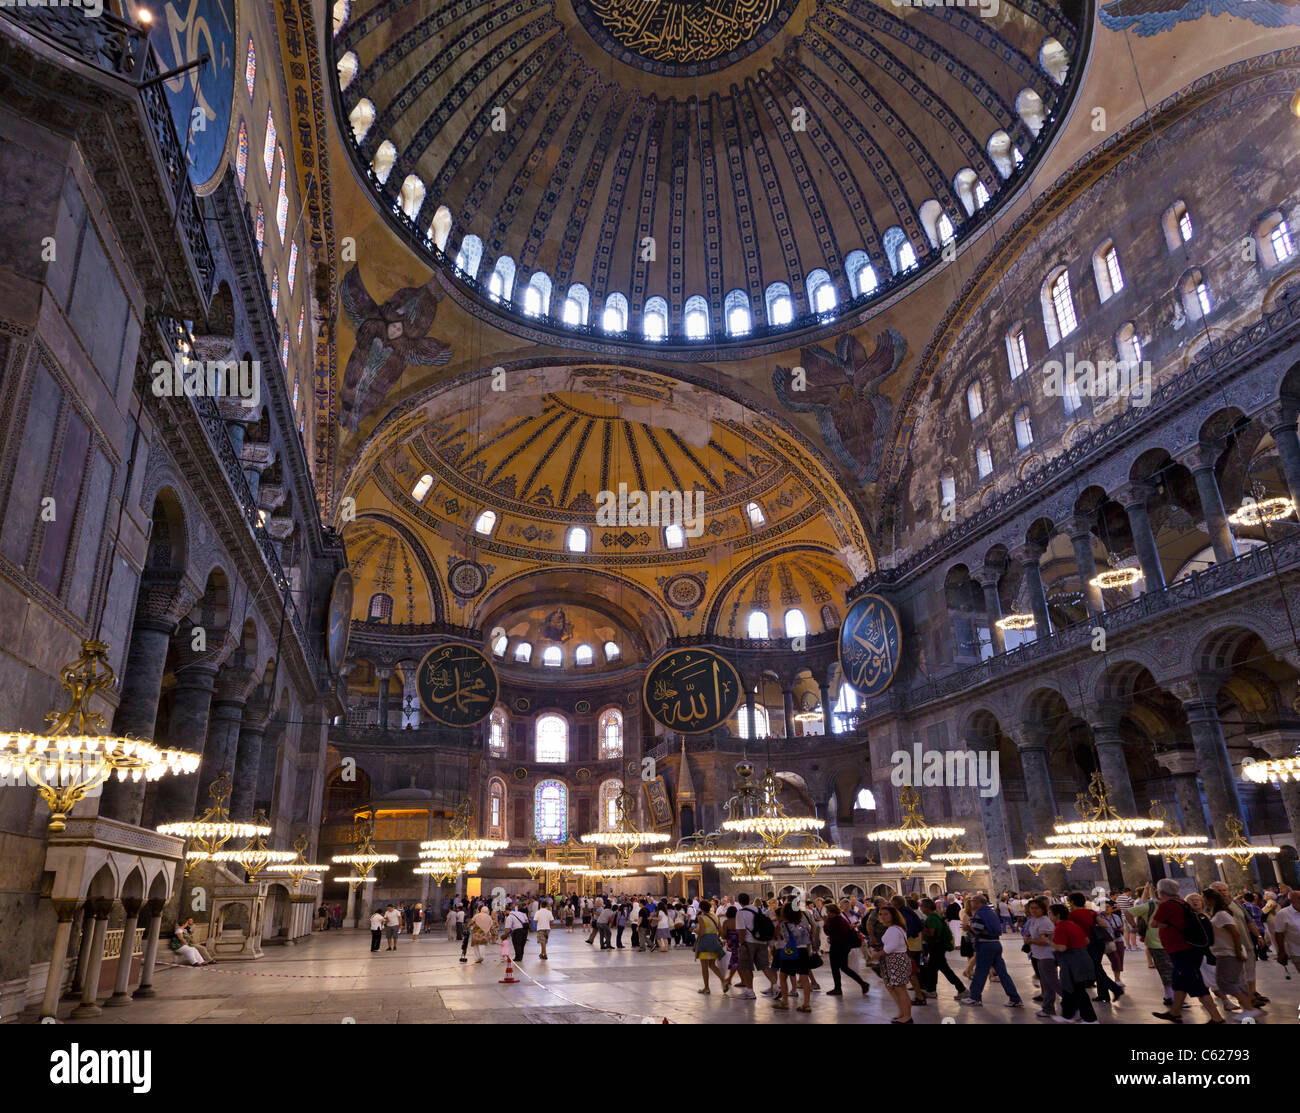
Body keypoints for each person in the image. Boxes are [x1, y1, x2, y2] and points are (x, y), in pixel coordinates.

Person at [1150, 878, 1225, 1023]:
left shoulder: (1167, 905)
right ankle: (1175, 1013)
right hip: (1187, 948)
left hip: (1181, 950)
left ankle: (1217, 1018)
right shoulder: (1181, 902)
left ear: (1161, 891)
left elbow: (1154, 923)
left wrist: (1162, 921)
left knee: (1196, 984)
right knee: (1179, 982)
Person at [959, 894, 1023, 1007]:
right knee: (1003, 974)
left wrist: (968, 927)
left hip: (985, 945)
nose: (971, 903)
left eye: (973, 901)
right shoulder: (991, 912)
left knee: (980, 972)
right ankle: (1015, 998)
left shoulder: (980, 913)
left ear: (979, 902)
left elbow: (977, 930)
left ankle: (975, 997)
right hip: (996, 944)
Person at [1204, 888, 1258, 1020]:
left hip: (1229, 953)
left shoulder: (1222, 915)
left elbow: (1235, 933)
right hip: (1225, 952)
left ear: (1211, 900)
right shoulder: (1218, 914)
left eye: (1204, 898)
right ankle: (1248, 1008)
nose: (1203, 901)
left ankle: (1249, 1008)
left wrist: (1238, 951)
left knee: (1225, 983)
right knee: (1235, 982)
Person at [1065, 891, 1123, 1004]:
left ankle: (1116, 989)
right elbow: (1104, 924)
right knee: (1097, 969)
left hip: (1085, 945)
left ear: (1072, 902)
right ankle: (1103, 995)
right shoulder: (1091, 912)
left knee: (1095, 970)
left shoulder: (1071, 915)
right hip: (1098, 944)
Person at [1049, 903, 1098, 1024]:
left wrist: (1049, 942)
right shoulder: (1073, 924)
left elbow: (1062, 948)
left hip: (1072, 963)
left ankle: (1091, 1019)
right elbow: (1086, 940)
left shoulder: (1061, 927)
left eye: (1050, 913)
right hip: (1083, 958)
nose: (1049, 915)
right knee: (1071, 990)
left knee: (1077, 990)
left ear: (1057, 915)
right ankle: (1068, 1016)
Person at [871, 905, 913, 1023]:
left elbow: (891, 947)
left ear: (893, 915)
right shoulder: (894, 928)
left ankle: (907, 1016)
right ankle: (902, 1012)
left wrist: (877, 954)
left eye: (886, 914)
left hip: (896, 960)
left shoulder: (894, 929)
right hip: (893, 960)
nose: (883, 917)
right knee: (892, 987)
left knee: (900, 989)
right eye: (881, 914)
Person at [918, 897, 965, 999]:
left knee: (945, 969)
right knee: (932, 969)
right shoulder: (935, 916)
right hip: (937, 946)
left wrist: (921, 927)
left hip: (936, 946)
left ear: (926, 907)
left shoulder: (931, 918)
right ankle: (931, 990)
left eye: (921, 906)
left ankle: (962, 989)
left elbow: (931, 933)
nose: (920, 909)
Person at [734, 892, 778, 999]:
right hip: (761, 941)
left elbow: (742, 930)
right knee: (765, 966)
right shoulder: (758, 910)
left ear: (739, 901)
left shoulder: (741, 912)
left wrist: (742, 943)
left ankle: (750, 991)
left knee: (746, 967)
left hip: (749, 942)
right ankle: (776, 987)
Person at [773, 903, 813, 1012]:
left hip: (791, 951)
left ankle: (785, 1002)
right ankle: (806, 1004)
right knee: (804, 978)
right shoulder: (803, 923)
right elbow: (809, 937)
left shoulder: (784, 924)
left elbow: (784, 938)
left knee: (783, 976)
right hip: (803, 951)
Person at [823, 903, 870, 997]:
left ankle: (838, 988)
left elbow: (828, 931)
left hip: (837, 946)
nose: (827, 913)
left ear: (832, 912)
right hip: (844, 946)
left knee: (836, 968)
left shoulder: (834, 920)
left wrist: (825, 922)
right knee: (844, 967)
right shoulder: (841, 919)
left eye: (828, 912)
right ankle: (862, 983)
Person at [1023, 898, 1058, 1018]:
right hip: (1038, 956)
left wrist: (1030, 940)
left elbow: (1046, 941)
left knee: (1054, 984)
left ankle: (1076, 1006)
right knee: (1047, 984)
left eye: (1036, 908)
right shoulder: (1034, 920)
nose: (1033, 910)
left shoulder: (1044, 922)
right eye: (1031, 908)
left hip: (1047, 956)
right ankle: (1048, 1009)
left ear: (1042, 909)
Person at [693, 899, 726, 993]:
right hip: (714, 942)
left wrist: (694, 930)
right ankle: (723, 981)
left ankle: (706, 988)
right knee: (712, 964)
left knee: (704, 966)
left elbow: (702, 932)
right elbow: (721, 930)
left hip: (704, 943)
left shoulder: (701, 917)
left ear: (701, 908)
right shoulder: (715, 916)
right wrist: (715, 938)